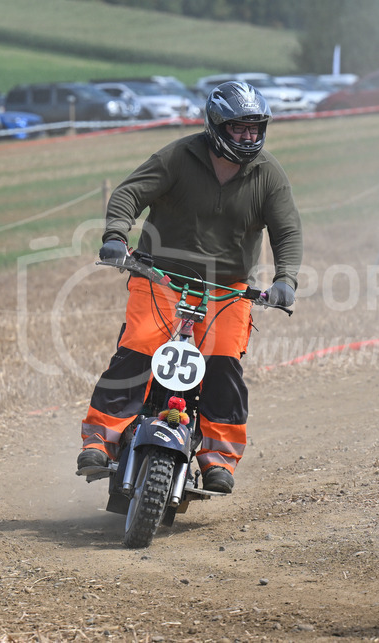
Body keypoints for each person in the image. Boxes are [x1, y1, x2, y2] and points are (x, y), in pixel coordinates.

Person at [77, 81, 303, 494]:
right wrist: (115, 236)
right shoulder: (180, 157)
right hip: (160, 277)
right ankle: (100, 440)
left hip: (227, 289)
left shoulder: (268, 174)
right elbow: (129, 193)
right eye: (239, 128)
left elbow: (287, 231)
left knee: (224, 365)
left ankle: (219, 459)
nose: (248, 137)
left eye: (255, 128)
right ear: (216, 125)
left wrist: (285, 279)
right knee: (140, 348)